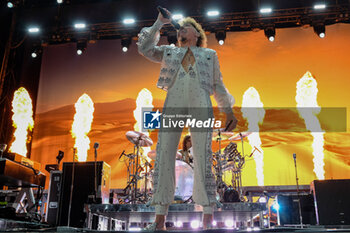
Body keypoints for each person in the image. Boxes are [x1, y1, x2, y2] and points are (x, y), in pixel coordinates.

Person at [137, 9, 237, 230]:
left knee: (202, 156)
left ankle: (207, 220)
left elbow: (218, 85)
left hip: (200, 103)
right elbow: (145, 48)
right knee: (164, 155)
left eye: (187, 26)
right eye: (180, 26)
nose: (181, 28)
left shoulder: (209, 54)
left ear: (197, 33)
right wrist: (159, 22)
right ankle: (159, 221)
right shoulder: (170, 52)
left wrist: (228, 111)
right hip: (174, 102)